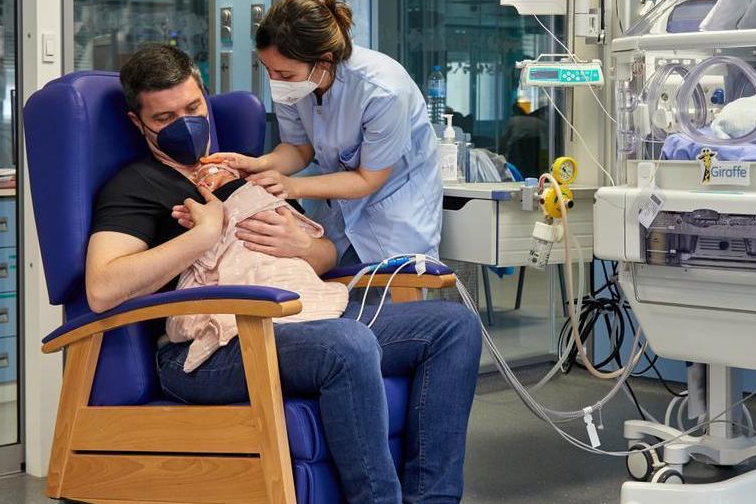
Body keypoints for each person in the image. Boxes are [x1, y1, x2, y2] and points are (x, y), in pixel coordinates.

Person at [85, 44, 481, 504]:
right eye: (165, 118)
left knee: (453, 326)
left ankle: (432, 500)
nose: (185, 124)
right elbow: (102, 289)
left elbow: (325, 256)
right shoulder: (135, 186)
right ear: (138, 123)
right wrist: (204, 234)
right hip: (213, 349)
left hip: (303, 317)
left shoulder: (246, 173)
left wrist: (306, 247)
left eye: (193, 108)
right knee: (346, 344)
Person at [204, 0, 442, 265]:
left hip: (394, 218)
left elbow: (368, 179)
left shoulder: (382, 91)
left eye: (285, 74)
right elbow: (298, 149)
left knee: (387, 289)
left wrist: (291, 186)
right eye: (268, 69)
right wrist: (259, 164)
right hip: (337, 215)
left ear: (324, 61)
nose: (275, 80)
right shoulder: (293, 85)